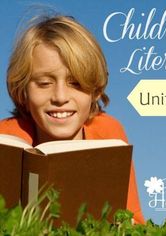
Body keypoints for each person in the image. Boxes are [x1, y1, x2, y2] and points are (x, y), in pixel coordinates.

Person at [0, 15, 145, 224]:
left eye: (75, 83)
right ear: (22, 91)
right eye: (43, 83)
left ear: (95, 90)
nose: (60, 97)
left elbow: (134, 218)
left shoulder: (108, 133)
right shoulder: (8, 137)